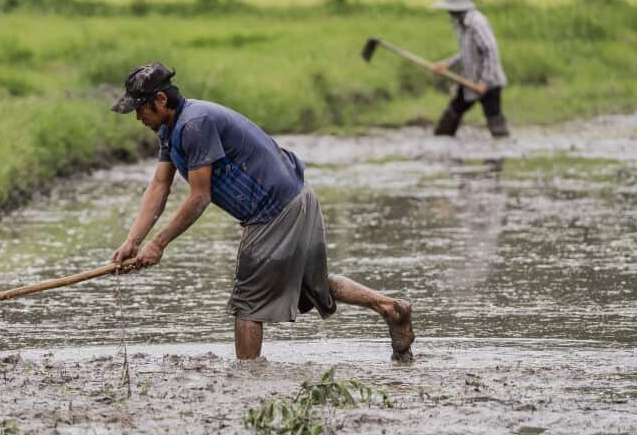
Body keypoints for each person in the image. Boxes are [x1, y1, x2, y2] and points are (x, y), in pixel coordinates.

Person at [108, 62, 415, 362]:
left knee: (247, 304)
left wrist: (158, 244)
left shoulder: (194, 124)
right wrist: (133, 240)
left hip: (274, 209)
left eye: (139, 109)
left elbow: (200, 197)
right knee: (311, 283)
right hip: (294, 197)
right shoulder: (170, 128)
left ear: (161, 100)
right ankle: (390, 307)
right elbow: (160, 185)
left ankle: (248, 382)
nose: (137, 117)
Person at [429, 0, 509, 138]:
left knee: (495, 120)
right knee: (451, 115)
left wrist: (484, 83)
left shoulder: (477, 23)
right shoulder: (460, 24)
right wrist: (447, 64)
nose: (448, 12)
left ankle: (503, 149)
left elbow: (490, 51)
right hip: (469, 80)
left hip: (489, 82)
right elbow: (468, 53)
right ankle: (442, 143)